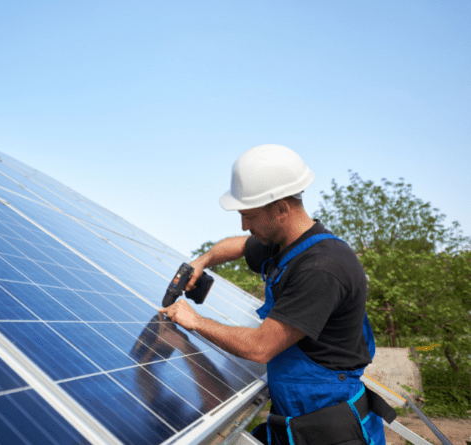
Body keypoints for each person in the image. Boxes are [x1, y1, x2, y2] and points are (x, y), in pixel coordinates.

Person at [159, 144, 394, 444]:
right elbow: (240, 245)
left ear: (282, 208)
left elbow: (261, 348)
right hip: (296, 419)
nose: (244, 225)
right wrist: (201, 261)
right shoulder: (285, 245)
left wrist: (194, 321)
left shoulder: (321, 267)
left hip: (330, 427)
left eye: (250, 216)